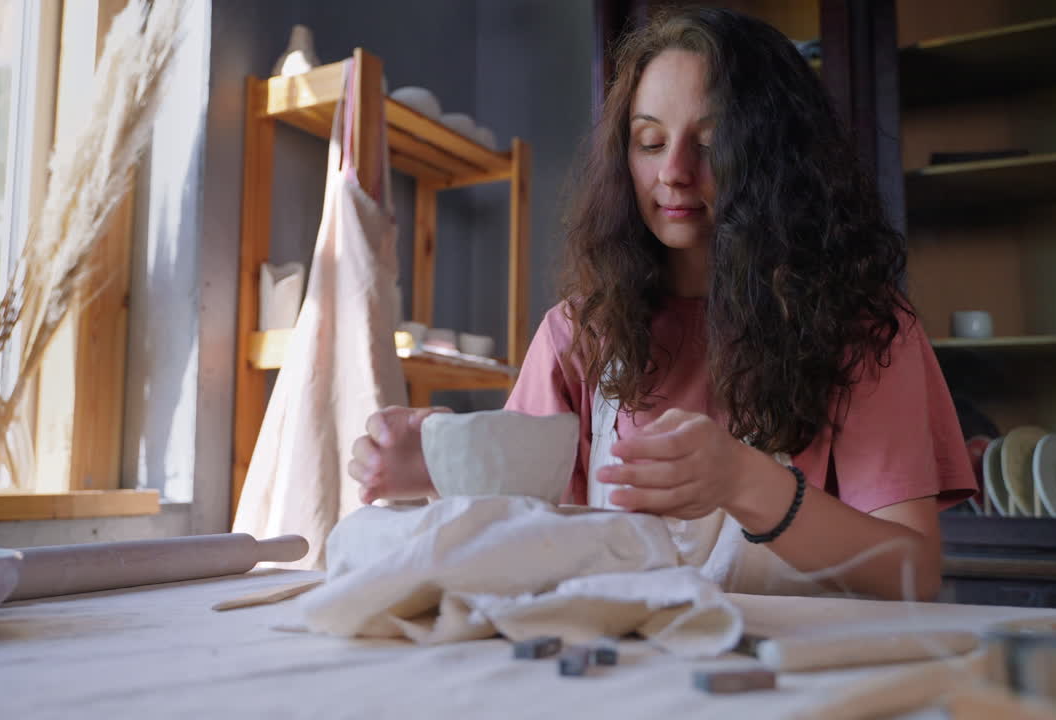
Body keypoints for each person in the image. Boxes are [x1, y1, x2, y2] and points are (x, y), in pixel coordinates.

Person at [347, 7, 976, 601]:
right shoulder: (579, 333)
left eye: (712, 143)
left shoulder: (861, 327)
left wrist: (746, 484)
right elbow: (525, 537)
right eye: (650, 142)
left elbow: (910, 575)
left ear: (775, 160)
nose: (674, 171)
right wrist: (445, 471)